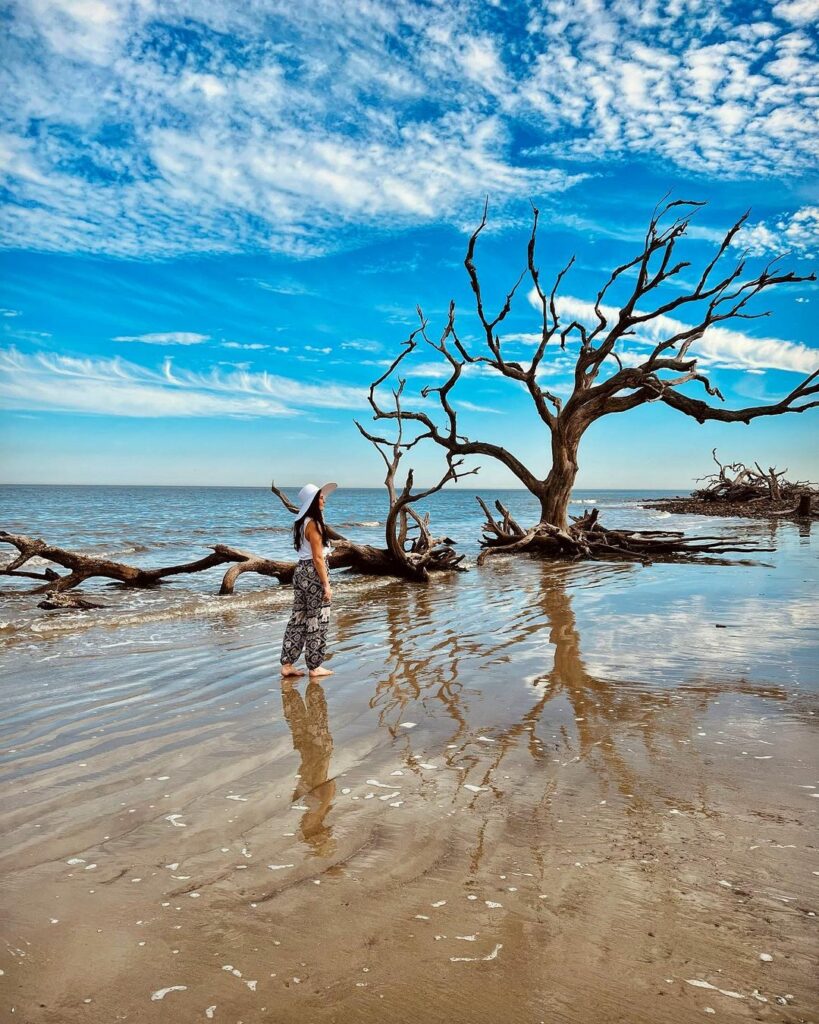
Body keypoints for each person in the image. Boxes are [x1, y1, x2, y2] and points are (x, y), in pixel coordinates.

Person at [280, 482, 337, 678]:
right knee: (317, 618)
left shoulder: (301, 522)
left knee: (298, 618)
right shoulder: (314, 523)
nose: (324, 500)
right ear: (313, 501)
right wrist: (326, 584)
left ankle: (287, 664)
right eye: (320, 497)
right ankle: (314, 666)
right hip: (313, 574)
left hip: (301, 572)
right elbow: (318, 557)